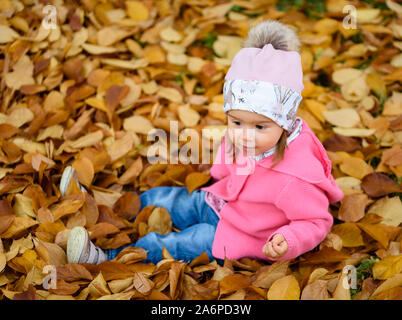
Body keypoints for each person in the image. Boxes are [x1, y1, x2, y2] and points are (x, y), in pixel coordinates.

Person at [65, 19, 344, 266]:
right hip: (218, 200)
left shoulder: (295, 178)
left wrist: (289, 238)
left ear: (284, 124)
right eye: (235, 122)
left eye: (259, 126)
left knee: (175, 245)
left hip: (239, 234)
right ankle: (99, 206)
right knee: (162, 199)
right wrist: (220, 172)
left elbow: (316, 221)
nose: (244, 134)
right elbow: (227, 160)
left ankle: (105, 259)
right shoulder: (247, 137)